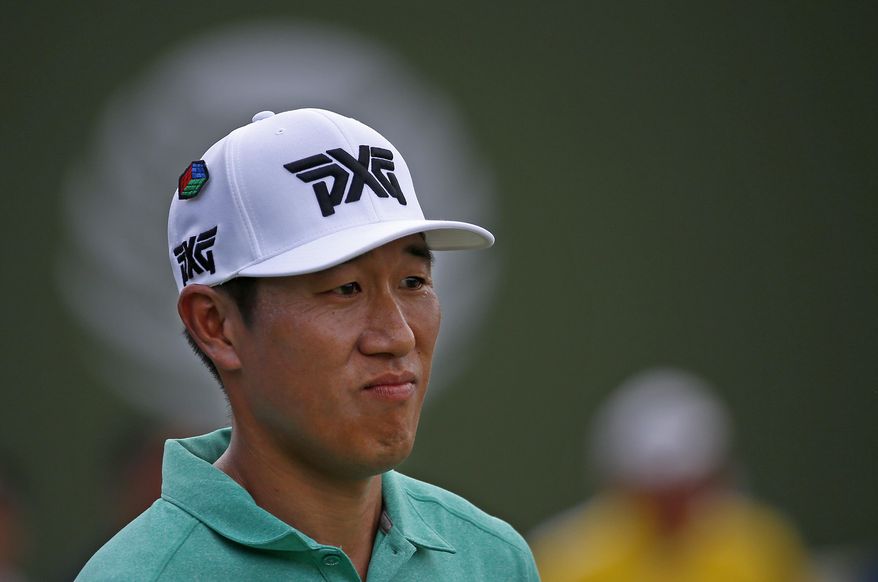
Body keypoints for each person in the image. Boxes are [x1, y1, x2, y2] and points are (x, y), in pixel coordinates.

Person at [77, 108, 539, 581]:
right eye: (345, 289)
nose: (398, 336)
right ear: (215, 324)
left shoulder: (491, 558)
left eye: (413, 281)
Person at [529, 368, 812, 582]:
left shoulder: (760, 546)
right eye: (656, 494)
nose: (672, 508)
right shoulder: (568, 558)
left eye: (686, 490)